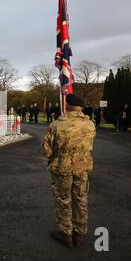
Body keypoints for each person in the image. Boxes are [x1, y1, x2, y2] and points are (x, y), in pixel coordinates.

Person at [42, 94, 96, 247]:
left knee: (63, 199)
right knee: (81, 198)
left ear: (67, 106)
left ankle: (66, 233)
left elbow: (46, 149)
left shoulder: (57, 125)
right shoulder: (90, 125)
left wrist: (54, 157)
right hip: (83, 167)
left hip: (62, 167)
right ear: (81, 108)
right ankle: (79, 233)